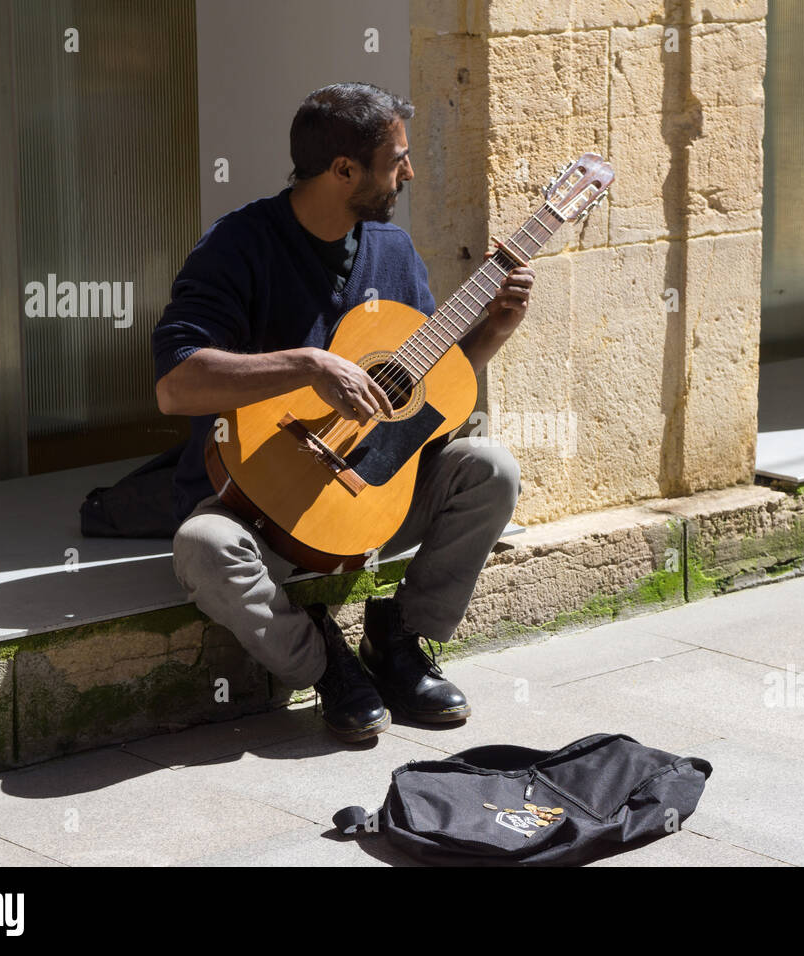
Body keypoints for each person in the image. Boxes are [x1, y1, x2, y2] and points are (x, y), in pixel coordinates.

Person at [151, 83, 534, 742]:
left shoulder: (392, 251)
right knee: (204, 549)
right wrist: (307, 365)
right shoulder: (238, 246)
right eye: (397, 160)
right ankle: (326, 663)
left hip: (367, 490)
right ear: (344, 171)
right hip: (252, 501)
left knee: (490, 468)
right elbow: (176, 387)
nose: (409, 172)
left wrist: (493, 331)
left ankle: (399, 642)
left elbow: (418, 395)